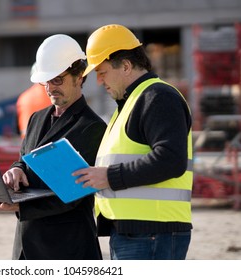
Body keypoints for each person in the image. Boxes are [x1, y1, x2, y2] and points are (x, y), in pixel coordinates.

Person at [0, 34, 107, 260]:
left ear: (79, 76)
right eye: (45, 81)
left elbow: (74, 195)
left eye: (57, 80)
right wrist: (16, 169)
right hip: (26, 245)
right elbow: (24, 158)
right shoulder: (36, 118)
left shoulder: (93, 127)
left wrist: (19, 208)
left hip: (67, 248)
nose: (49, 88)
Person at [73, 24, 193, 260]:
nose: (99, 81)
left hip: (153, 233)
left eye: (102, 72)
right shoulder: (132, 103)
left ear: (126, 66)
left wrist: (108, 176)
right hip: (135, 232)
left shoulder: (158, 97)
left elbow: (171, 160)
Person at [16, 64, 51, 139]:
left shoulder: (23, 97)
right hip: (49, 143)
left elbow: (17, 128)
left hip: (27, 143)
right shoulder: (53, 94)